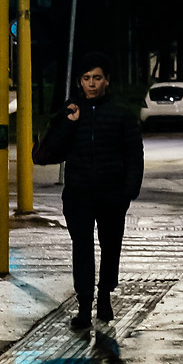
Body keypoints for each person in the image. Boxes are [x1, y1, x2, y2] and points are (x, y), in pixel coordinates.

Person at [32, 50, 144, 333]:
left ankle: (105, 296)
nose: (91, 84)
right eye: (86, 78)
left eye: (97, 78)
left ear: (107, 81)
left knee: (110, 247)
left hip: (112, 194)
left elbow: (134, 155)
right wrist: (68, 124)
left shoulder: (122, 116)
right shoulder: (71, 113)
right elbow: (45, 155)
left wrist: (127, 192)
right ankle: (84, 305)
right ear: (79, 82)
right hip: (78, 195)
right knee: (82, 249)